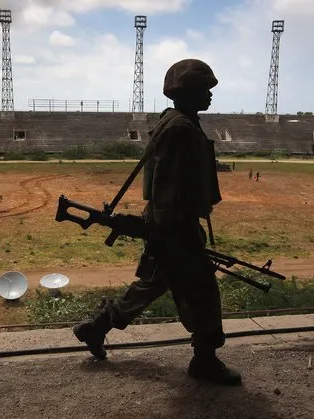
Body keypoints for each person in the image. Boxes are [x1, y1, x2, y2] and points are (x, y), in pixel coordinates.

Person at [73, 58, 241, 386]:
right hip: (175, 226)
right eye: (203, 89)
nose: (209, 95)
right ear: (187, 92)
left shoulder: (177, 122)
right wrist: (172, 233)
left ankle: (95, 328)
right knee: (204, 294)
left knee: (150, 285)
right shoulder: (179, 128)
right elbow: (167, 186)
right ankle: (204, 361)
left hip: (170, 225)